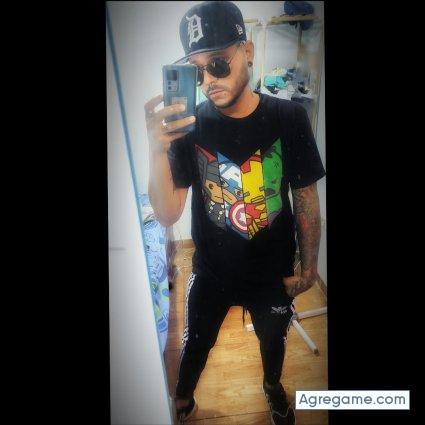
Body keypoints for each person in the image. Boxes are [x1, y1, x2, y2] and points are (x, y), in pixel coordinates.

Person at [145, 2, 326, 424]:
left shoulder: (289, 117)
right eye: (196, 71)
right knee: (195, 345)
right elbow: (168, 215)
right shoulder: (190, 128)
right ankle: (183, 397)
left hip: (272, 274)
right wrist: (155, 149)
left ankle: (272, 389)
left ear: (247, 51)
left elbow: (305, 198)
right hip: (211, 272)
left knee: (273, 345)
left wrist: (307, 270)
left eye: (218, 64)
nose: (208, 81)